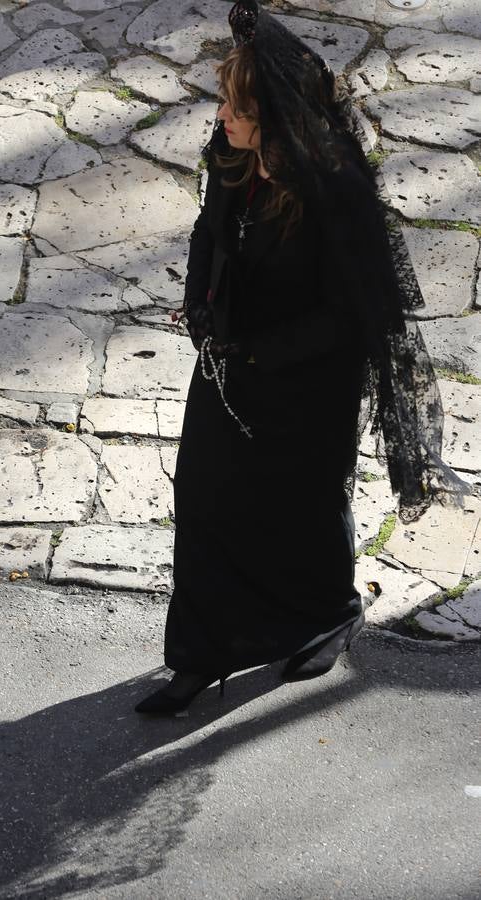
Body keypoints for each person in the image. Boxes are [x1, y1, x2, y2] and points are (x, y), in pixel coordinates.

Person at [134, 0, 473, 715]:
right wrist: (200, 305)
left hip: (307, 379)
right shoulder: (230, 155)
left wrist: (259, 353)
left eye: (236, 108)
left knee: (304, 505)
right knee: (203, 498)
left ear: (277, 118)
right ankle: (198, 655)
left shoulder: (335, 193)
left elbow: (355, 315)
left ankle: (326, 612)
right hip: (230, 361)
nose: (221, 118)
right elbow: (208, 229)